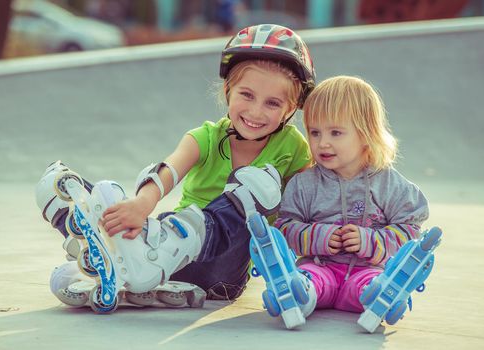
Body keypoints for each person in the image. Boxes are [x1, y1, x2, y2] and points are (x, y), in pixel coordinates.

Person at [35, 24, 316, 308]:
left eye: (272, 103)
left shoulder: (294, 147)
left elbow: (310, 202)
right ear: (229, 90)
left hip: (224, 269)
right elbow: (169, 170)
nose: (256, 112)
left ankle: (134, 255)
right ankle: (113, 259)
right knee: (57, 185)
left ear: (291, 108)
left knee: (258, 183)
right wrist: (140, 205)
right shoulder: (205, 137)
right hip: (171, 253)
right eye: (247, 95)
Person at [271, 75, 430, 327]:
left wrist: (370, 241)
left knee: (371, 285)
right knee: (308, 278)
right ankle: (297, 296)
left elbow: (410, 230)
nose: (323, 142)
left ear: (366, 134)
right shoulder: (304, 184)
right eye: (314, 132)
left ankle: (380, 298)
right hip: (320, 268)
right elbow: (284, 227)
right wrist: (318, 237)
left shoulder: (388, 184)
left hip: (367, 272)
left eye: (336, 132)